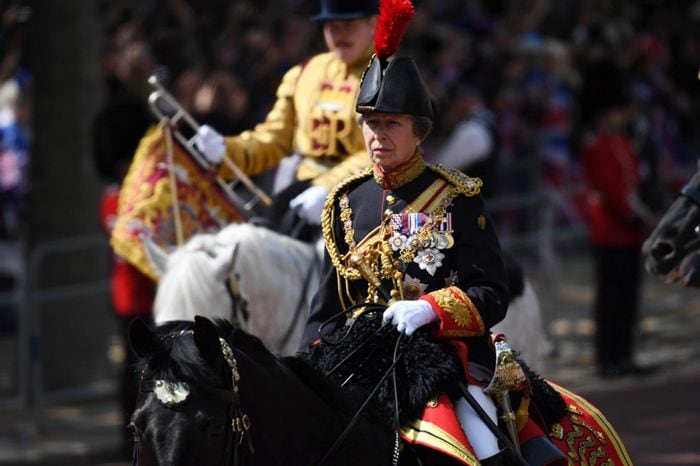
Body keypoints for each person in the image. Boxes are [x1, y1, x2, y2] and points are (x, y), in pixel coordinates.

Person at [298, 43, 565, 465]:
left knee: (481, 444)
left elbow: (491, 292)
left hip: (445, 359)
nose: (378, 134)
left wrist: (430, 310)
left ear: (419, 131)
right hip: (361, 358)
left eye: (392, 123)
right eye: (370, 122)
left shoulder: (458, 199)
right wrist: (305, 367)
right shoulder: (346, 202)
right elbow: (326, 306)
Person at [194, 0, 379, 232]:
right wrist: (227, 150)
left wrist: (330, 187)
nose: (340, 35)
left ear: (372, 24)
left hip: (364, 198)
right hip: (301, 193)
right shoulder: (305, 73)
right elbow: (274, 139)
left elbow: (383, 151)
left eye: (349, 25)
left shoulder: (388, 76)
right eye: (332, 27)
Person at [578, 63, 655, 378]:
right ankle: (608, 358)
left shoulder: (621, 142)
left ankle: (624, 355)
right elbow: (611, 190)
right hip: (611, 230)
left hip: (628, 231)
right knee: (611, 300)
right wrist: (636, 215)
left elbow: (632, 181)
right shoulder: (595, 145)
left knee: (628, 297)